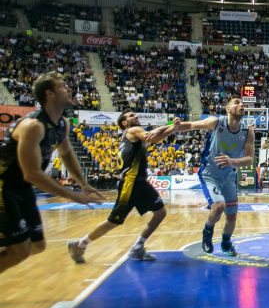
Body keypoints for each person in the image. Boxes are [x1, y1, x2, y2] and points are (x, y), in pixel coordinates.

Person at [1, 72, 105, 273]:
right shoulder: (33, 126)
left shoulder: (62, 123)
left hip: (22, 189)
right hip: (4, 187)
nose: (69, 88)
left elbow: (66, 153)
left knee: (37, 245)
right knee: (19, 251)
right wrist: (74, 196)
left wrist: (84, 184)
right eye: (63, 86)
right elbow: (32, 174)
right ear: (49, 93)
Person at [68, 111, 176, 263]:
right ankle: (80, 244)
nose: (136, 116)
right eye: (131, 116)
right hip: (130, 184)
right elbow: (151, 137)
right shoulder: (133, 130)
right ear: (125, 123)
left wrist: (172, 128)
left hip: (140, 183)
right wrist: (171, 126)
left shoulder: (132, 137)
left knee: (160, 212)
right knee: (114, 221)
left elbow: (155, 138)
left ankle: (138, 247)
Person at [172, 96, 255, 255]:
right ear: (228, 109)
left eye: (243, 103)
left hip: (228, 177)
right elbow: (191, 125)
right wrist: (177, 125)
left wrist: (231, 161)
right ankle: (207, 232)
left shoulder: (247, 131)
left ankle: (226, 243)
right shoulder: (216, 122)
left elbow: (250, 159)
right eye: (237, 103)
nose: (241, 105)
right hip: (210, 174)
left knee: (232, 217)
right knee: (218, 206)